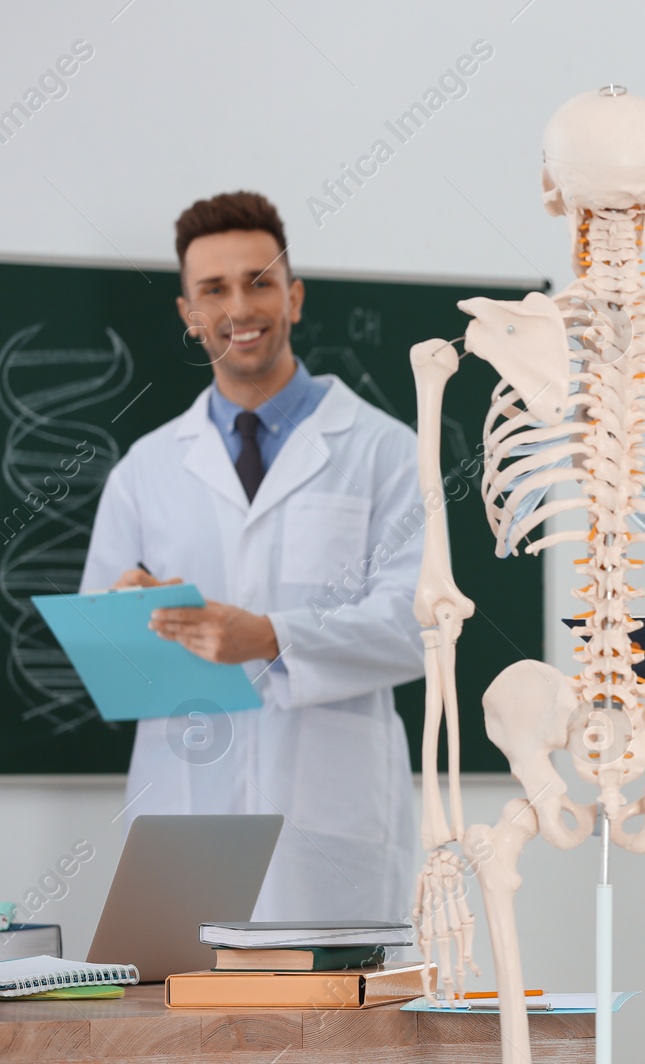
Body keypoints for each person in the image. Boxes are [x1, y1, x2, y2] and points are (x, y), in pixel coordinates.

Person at [79, 191, 425, 922]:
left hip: (332, 830)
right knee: (186, 1029)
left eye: (259, 281)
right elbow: (104, 651)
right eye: (214, 289)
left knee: (344, 1031)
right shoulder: (146, 469)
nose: (240, 306)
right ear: (189, 315)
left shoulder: (385, 451)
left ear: (293, 297)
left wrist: (269, 636)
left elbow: (420, 624)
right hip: (184, 817)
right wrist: (133, 616)